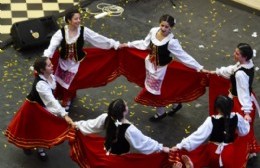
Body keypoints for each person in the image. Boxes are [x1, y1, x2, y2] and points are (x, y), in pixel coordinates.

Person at [121, 14, 208, 122]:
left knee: (157, 91)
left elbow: (183, 56)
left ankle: (160, 113)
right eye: (162, 25)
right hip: (151, 65)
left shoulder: (171, 42)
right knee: (164, 89)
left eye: (166, 27)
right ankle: (176, 105)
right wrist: (129, 45)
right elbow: (144, 44)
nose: (163, 28)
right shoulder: (153, 31)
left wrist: (199, 67)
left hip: (162, 70)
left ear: (171, 27)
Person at [43, 8, 122, 110]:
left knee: (71, 82)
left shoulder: (83, 31)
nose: (79, 21)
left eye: (79, 18)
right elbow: (52, 46)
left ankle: (67, 99)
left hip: (77, 63)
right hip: (63, 62)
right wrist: (45, 58)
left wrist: (115, 44)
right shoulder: (61, 33)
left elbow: (98, 39)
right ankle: (66, 97)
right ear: (69, 20)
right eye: (76, 19)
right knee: (62, 81)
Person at [5, 57, 74, 161]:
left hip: (43, 107)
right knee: (32, 129)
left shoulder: (49, 75)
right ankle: (27, 146)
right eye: (49, 65)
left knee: (42, 129)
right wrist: (64, 114)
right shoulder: (41, 84)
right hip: (33, 108)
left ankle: (40, 149)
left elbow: (52, 95)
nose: (52, 65)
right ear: (42, 70)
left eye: (51, 64)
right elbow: (51, 100)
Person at [170, 95, 250, 168]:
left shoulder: (211, 120)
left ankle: (191, 164)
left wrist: (180, 146)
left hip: (214, 152)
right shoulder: (237, 117)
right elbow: (244, 132)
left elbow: (198, 136)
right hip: (229, 152)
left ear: (218, 108)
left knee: (202, 156)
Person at [210, 43, 260, 156]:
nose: (234, 54)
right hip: (245, 97)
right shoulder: (247, 64)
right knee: (243, 128)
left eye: (237, 54)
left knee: (236, 126)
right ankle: (248, 150)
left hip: (240, 102)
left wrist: (247, 111)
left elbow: (243, 93)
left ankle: (241, 150)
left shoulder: (240, 74)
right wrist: (217, 72)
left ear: (245, 57)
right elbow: (232, 69)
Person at [75, 98, 170, 155]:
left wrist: (76, 125)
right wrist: (160, 147)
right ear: (124, 112)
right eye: (126, 106)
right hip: (120, 158)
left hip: (106, 152)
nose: (128, 106)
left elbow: (90, 125)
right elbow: (143, 142)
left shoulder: (105, 117)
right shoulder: (129, 129)